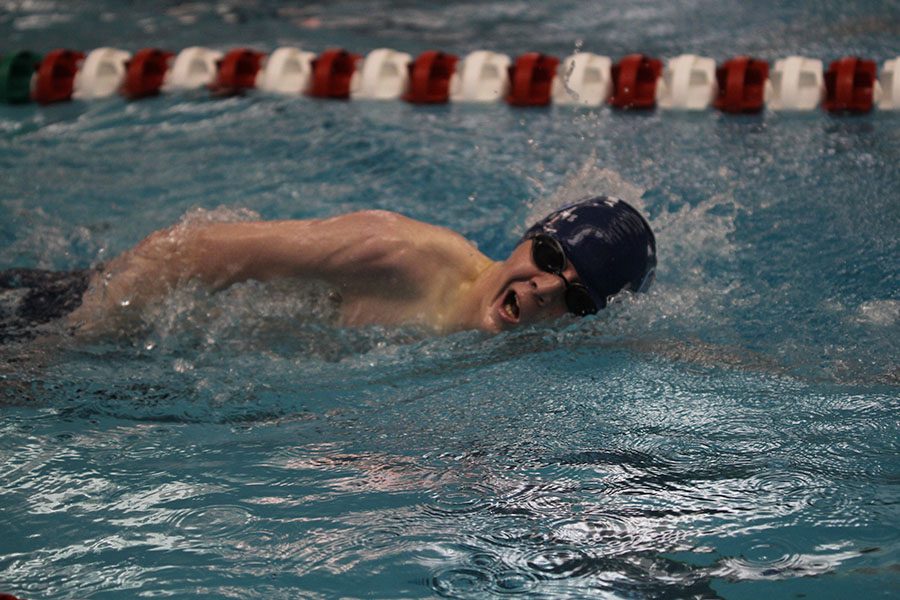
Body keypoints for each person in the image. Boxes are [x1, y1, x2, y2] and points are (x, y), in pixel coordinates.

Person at [1, 196, 656, 339]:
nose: (543, 291)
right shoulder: (396, 254)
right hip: (81, 310)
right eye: (547, 260)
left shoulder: (530, 350)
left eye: (575, 299)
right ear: (527, 238)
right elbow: (189, 250)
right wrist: (74, 338)